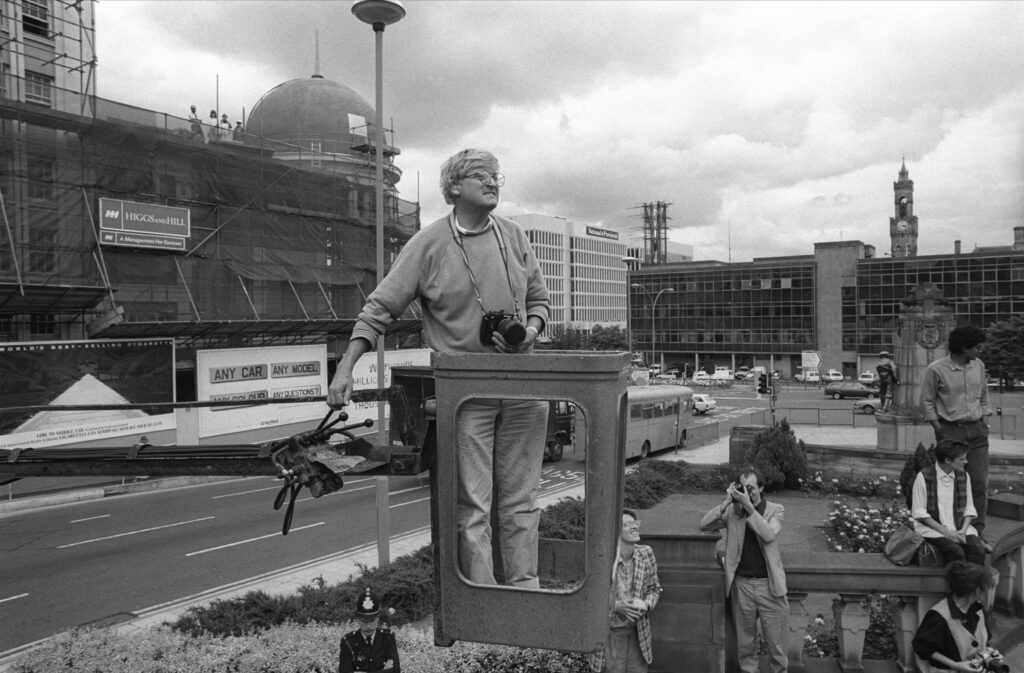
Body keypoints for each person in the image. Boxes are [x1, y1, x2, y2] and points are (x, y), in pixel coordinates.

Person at [327, 149, 550, 588]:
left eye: (496, 175)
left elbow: (541, 301)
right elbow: (377, 311)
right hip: (468, 395)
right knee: (474, 508)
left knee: (523, 502)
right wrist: (345, 368)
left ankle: (525, 593)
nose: (493, 182)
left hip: (525, 387)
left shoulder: (515, 236)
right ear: (453, 188)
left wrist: (531, 330)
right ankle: (484, 603)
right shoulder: (428, 244)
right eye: (481, 175)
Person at [700, 466, 788, 673]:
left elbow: (768, 534)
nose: (748, 492)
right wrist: (727, 501)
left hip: (770, 586)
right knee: (746, 647)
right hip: (742, 586)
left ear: (761, 487)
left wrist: (749, 507)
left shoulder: (776, 509)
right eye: (743, 487)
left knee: (777, 645)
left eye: (751, 487)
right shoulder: (733, 511)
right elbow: (705, 525)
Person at [921, 325, 993, 540]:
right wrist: (940, 430)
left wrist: (985, 421)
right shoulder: (936, 369)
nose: (980, 350)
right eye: (977, 347)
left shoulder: (978, 365)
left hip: (977, 431)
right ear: (964, 347)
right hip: (951, 431)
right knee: (950, 484)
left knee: (979, 483)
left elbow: (984, 394)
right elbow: (926, 402)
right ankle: (950, 531)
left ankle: (976, 533)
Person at [588, 509, 662, 673]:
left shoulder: (646, 553)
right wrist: (615, 606)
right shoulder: (601, 558)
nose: (634, 527)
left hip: (638, 633)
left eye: (635, 524)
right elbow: (589, 598)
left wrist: (646, 604)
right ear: (614, 531)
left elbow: (654, 588)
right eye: (627, 525)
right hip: (610, 635)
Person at [913, 561, 1000, 673]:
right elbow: (921, 646)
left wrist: (991, 654)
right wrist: (955, 665)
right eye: (986, 589)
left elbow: (983, 642)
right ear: (978, 591)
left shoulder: (978, 610)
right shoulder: (938, 616)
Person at [911, 439, 987, 565]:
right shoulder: (924, 476)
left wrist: (962, 531)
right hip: (933, 529)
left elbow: (969, 508)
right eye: (962, 459)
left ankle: (973, 583)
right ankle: (956, 583)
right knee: (956, 552)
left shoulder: (964, 476)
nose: (966, 462)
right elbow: (920, 513)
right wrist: (946, 532)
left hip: (960, 528)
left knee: (977, 550)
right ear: (947, 460)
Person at [338, 588, 400, 673]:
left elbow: (396, 670)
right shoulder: (348, 642)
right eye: (364, 621)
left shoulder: (388, 638)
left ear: (378, 618)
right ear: (358, 620)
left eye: (371, 621)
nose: (368, 626)